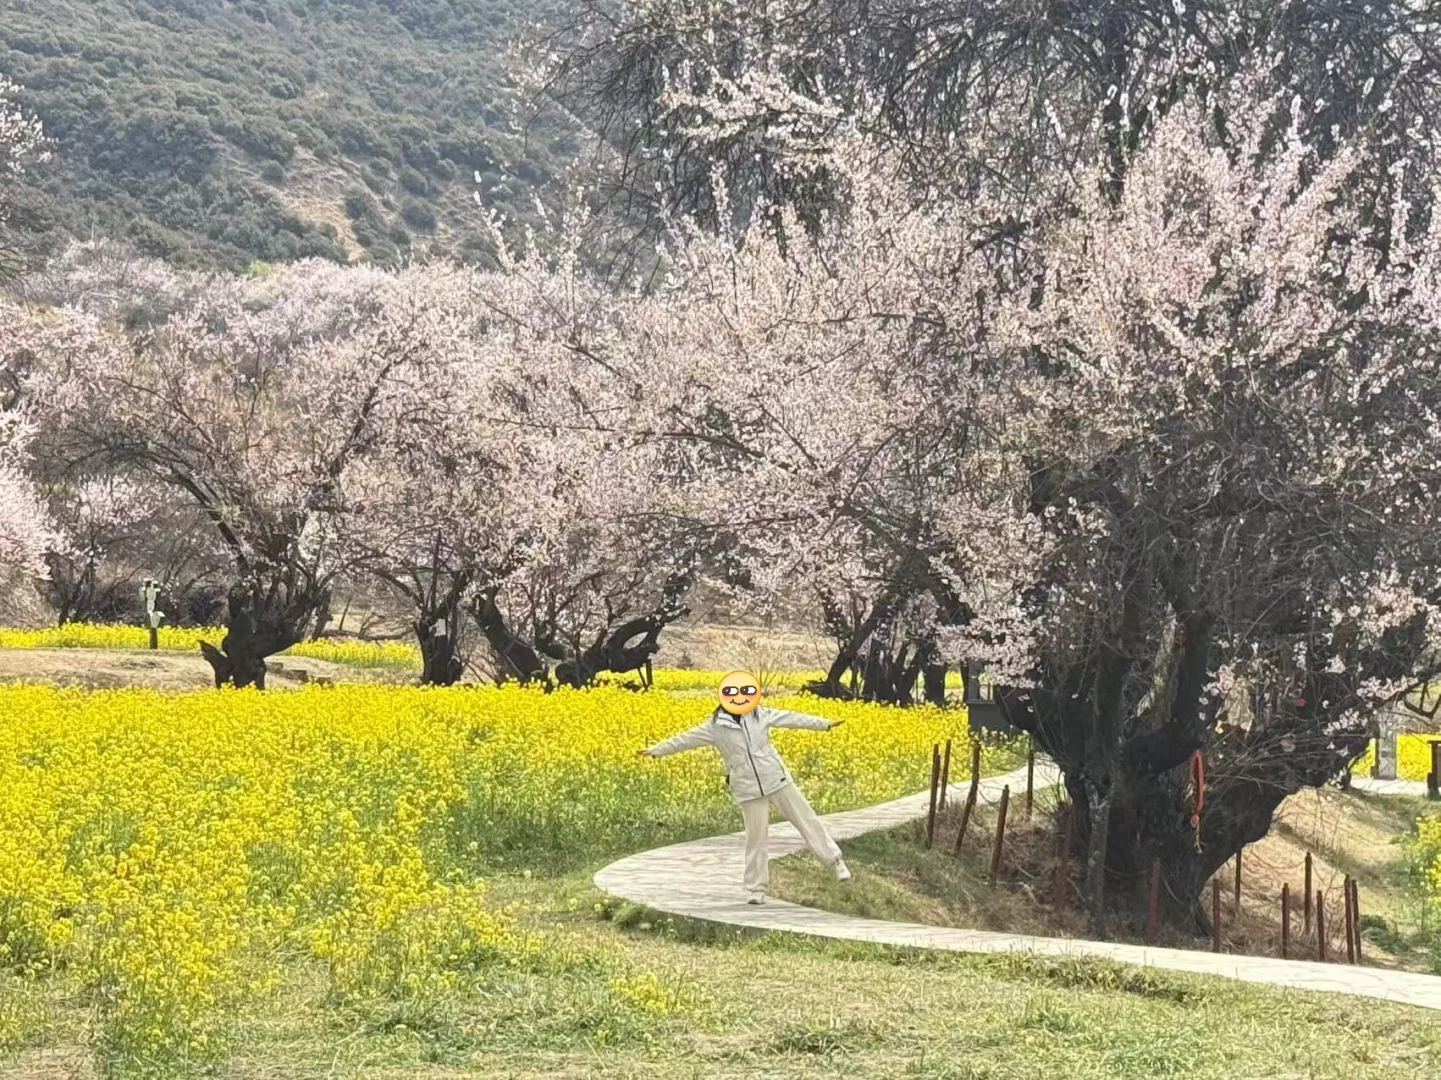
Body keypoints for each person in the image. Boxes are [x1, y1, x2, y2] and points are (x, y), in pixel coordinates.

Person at [637, 668, 851, 904]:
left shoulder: (760, 714)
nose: (739, 697)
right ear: (723, 697)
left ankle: (835, 862)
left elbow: (791, 718)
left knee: (806, 820)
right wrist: (656, 750)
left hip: (776, 778)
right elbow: (685, 740)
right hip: (747, 787)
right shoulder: (715, 726)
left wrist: (824, 724)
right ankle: (756, 889)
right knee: (756, 838)